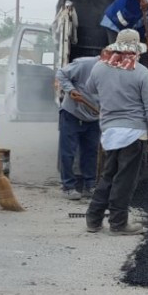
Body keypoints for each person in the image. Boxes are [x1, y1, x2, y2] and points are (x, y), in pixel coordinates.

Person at [84, 29, 148, 235]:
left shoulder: (100, 69)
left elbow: (90, 89)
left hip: (110, 132)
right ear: (137, 49)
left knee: (108, 176)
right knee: (124, 180)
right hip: (134, 134)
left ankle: (93, 219)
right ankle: (118, 224)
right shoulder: (141, 73)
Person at [55, 56, 101, 200]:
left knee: (91, 152)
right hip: (72, 114)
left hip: (93, 117)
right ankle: (68, 187)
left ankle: (90, 185)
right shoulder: (84, 64)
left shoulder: (115, 70)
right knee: (68, 152)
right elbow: (61, 74)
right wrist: (70, 89)